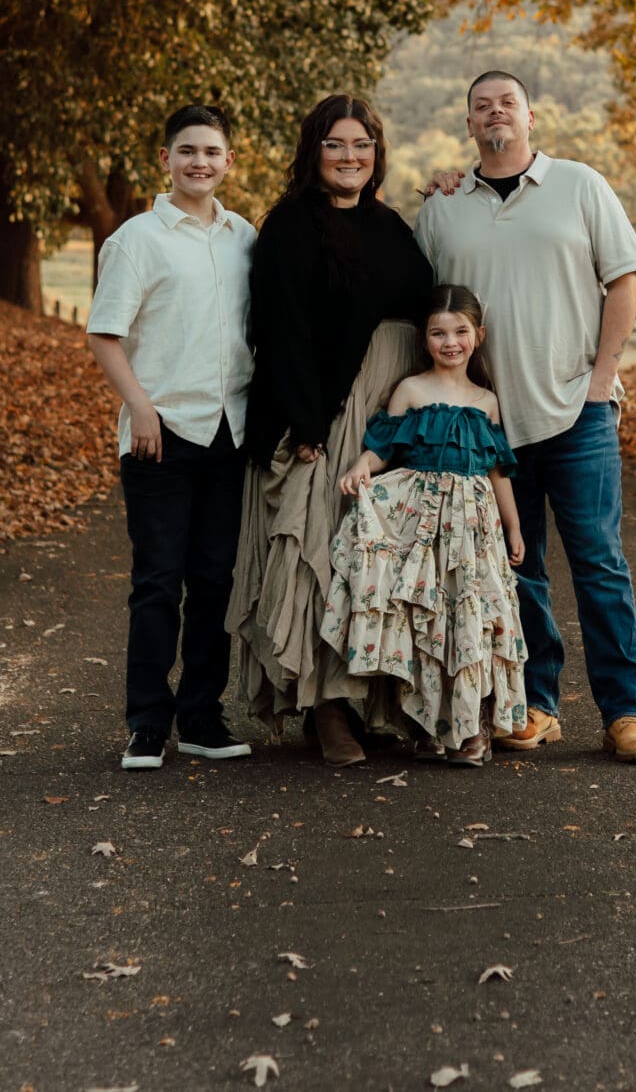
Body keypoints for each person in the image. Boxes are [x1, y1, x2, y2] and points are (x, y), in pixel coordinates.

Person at [413, 70, 636, 764]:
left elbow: (625, 277)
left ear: (531, 116)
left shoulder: (580, 185)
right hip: (489, 424)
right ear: (469, 124)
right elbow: (421, 306)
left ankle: (627, 711)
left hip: (577, 413)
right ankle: (536, 705)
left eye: (507, 103)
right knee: (516, 568)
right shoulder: (444, 207)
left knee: (600, 563)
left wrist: (602, 377)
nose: (495, 112)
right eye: (481, 105)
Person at [227, 94, 432, 766]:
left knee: (375, 561)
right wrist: (307, 420)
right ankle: (324, 705)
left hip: (389, 415)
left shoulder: (393, 224)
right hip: (324, 412)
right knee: (319, 553)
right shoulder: (290, 226)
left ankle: (368, 696)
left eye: (362, 145)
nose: (350, 157)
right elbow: (279, 329)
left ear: (378, 154)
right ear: (313, 152)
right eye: (336, 144)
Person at [86, 103, 258, 772]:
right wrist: (141, 408)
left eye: (212, 152)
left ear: (228, 161)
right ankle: (146, 723)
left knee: (215, 579)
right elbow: (105, 332)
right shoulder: (136, 239)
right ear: (165, 160)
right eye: (187, 151)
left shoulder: (244, 237)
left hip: (228, 430)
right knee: (159, 581)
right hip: (160, 434)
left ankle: (202, 717)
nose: (200, 163)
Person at [324, 284, 528, 765]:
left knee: (471, 617)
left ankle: (473, 727)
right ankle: (427, 723)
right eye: (438, 332)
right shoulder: (411, 390)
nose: (449, 342)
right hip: (419, 526)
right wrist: (361, 467)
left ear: (478, 335)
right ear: (424, 338)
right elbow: (385, 446)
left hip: (472, 529)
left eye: (460, 331)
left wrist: (514, 527)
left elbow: (498, 472)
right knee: (425, 621)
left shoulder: (486, 402)